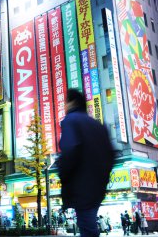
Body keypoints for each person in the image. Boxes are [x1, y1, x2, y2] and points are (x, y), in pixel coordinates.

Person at [57, 89, 115, 237]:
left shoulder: (70, 121)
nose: (65, 106)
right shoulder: (98, 125)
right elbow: (111, 155)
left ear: (72, 102)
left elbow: (70, 149)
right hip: (98, 186)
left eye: (66, 102)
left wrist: (63, 173)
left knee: (87, 227)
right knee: (89, 225)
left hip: (81, 185)